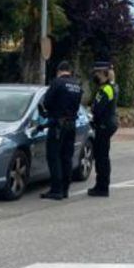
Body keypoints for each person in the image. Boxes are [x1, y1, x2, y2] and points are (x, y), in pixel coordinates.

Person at [37, 61, 84, 200]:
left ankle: (56, 190)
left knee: (54, 157)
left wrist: (50, 112)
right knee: (67, 157)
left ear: (59, 71)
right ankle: (65, 189)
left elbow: (46, 103)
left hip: (58, 125)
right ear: (69, 70)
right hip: (72, 124)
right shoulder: (77, 85)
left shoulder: (57, 83)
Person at [88, 61, 118, 197]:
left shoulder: (105, 89)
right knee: (104, 156)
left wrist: (92, 112)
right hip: (109, 123)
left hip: (103, 125)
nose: (95, 75)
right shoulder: (113, 86)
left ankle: (102, 187)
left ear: (104, 73)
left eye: (97, 73)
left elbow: (97, 108)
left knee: (101, 157)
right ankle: (102, 185)